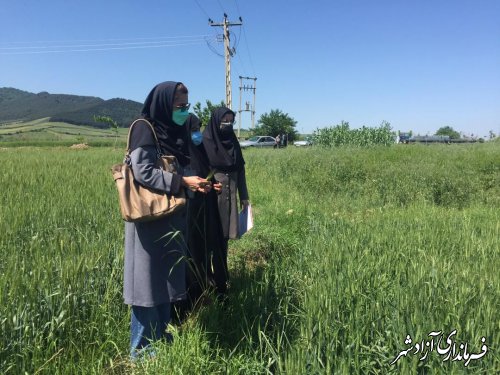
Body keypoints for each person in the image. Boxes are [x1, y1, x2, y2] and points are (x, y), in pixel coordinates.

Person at [123, 81, 211, 359]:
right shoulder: (144, 128)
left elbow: (178, 169)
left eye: (187, 106)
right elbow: (143, 171)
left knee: (165, 281)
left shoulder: (174, 131)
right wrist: (183, 181)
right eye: (179, 106)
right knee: (147, 284)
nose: (184, 111)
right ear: (163, 103)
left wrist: (196, 184)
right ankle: (140, 353)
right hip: (150, 220)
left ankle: (159, 341)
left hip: (171, 218)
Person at [202, 107, 250, 300]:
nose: (228, 125)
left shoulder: (233, 143)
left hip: (229, 201)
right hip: (209, 202)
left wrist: (244, 196)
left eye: (231, 121)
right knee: (207, 243)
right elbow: (197, 171)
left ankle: (221, 284)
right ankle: (205, 282)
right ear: (216, 122)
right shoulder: (205, 142)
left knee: (223, 243)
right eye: (225, 121)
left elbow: (241, 171)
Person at [181, 114, 225, 309]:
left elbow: (208, 173)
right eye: (193, 129)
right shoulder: (180, 152)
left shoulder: (201, 150)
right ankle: (192, 293)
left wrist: (214, 185)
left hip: (205, 206)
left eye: (198, 128)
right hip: (189, 210)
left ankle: (206, 285)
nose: (197, 133)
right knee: (192, 249)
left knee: (205, 246)